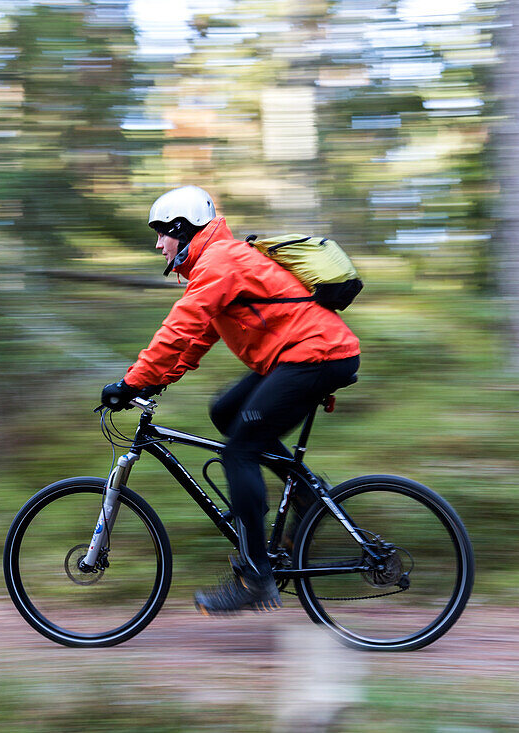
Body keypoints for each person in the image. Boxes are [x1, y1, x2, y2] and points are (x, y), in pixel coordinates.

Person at [100, 185, 360, 615]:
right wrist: (152, 382)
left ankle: (256, 577)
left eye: (162, 233)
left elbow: (177, 328)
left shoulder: (220, 261)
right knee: (224, 413)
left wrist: (130, 382)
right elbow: (196, 338)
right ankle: (307, 495)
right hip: (299, 356)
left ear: (182, 230)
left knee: (241, 448)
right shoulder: (218, 263)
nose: (158, 244)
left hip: (316, 355)